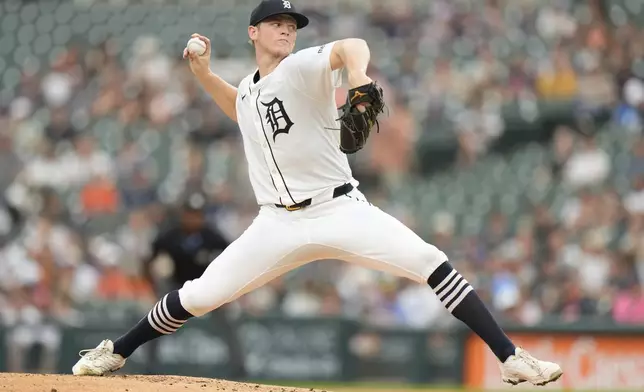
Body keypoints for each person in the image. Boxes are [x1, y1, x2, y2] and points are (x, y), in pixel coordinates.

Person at [72, 0, 563, 386]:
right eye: (276, 22)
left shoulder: (302, 66)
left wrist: (358, 78)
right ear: (253, 32)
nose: (287, 29)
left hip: (339, 208)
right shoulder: (249, 89)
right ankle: (114, 351)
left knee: (430, 260)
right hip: (277, 224)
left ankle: (510, 358)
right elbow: (239, 107)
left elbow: (352, 43)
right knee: (199, 294)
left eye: (292, 23)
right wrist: (202, 75)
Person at [141, 192, 246, 379]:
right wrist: (152, 287)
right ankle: (149, 367)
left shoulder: (211, 235)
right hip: (177, 286)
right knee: (156, 319)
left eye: (197, 214)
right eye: (190, 214)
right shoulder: (170, 235)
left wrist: (229, 291)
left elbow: (234, 258)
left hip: (207, 286)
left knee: (227, 325)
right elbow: (148, 259)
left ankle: (239, 369)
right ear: (183, 214)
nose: (193, 218)